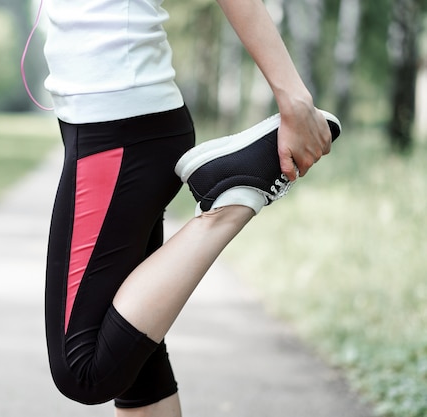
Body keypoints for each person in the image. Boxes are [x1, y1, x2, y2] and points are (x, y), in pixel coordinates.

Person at [41, 0, 340, 416]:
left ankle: (233, 194)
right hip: (117, 122)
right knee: (136, 364)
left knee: (84, 369)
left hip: (116, 128)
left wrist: (293, 97)